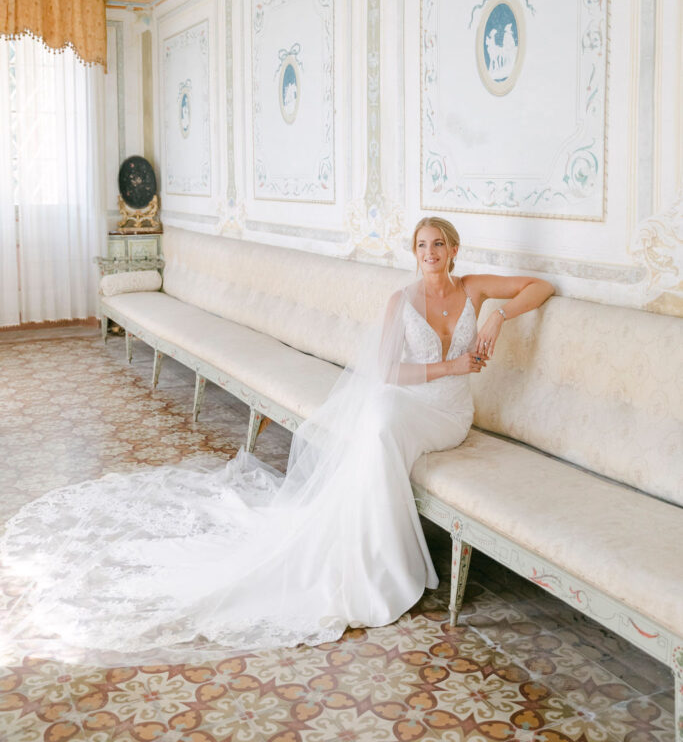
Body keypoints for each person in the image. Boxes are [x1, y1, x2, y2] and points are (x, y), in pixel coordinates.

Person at [0, 217, 553, 666]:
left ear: (455, 250)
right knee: (379, 415)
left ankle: (377, 554)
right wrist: (454, 362)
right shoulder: (400, 299)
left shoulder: (474, 289)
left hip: (450, 414)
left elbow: (542, 287)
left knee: (380, 424)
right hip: (409, 400)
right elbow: (386, 373)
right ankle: (370, 557)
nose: (430, 252)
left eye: (439, 244)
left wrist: (498, 314)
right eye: (421, 244)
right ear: (413, 252)